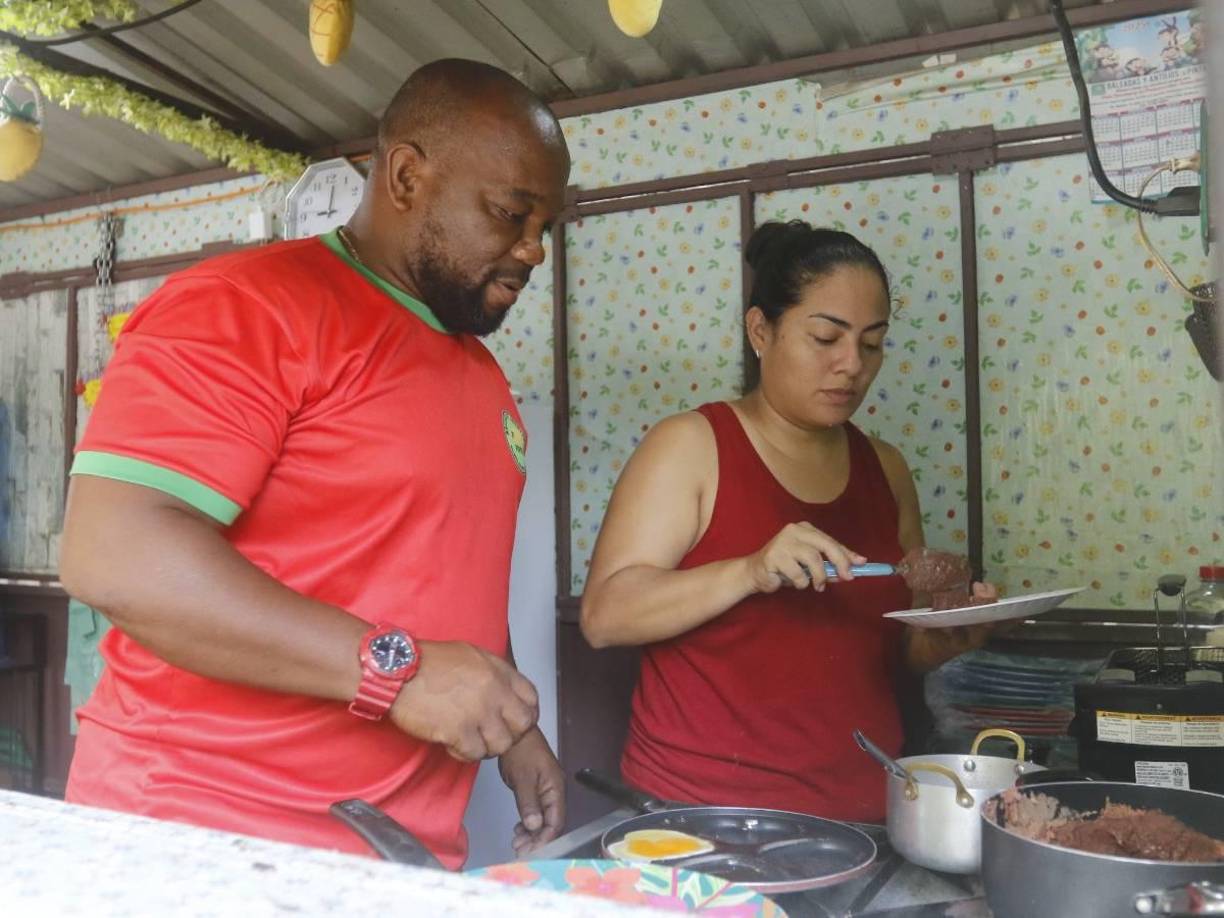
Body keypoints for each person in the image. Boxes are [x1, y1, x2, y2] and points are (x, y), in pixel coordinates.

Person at [58, 59, 570, 867]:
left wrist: (512, 726)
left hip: (397, 854)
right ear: (407, 176)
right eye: (512, 214)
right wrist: (397, 674)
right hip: (206, 843)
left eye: (546, 226)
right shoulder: (246, 305)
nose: (534, 251)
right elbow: (112, 552)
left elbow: (443, 570)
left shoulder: (478, 372)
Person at [580, 221, 997, 823]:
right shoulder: (691, 446)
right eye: (826, 336)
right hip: (698, 816)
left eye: (872, 343)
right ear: (761, 330)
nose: (851, 364)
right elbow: (603, 617)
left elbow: (890, 645)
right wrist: (750, 570)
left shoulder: (885, 468)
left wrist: (940, 641)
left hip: (862, 815)